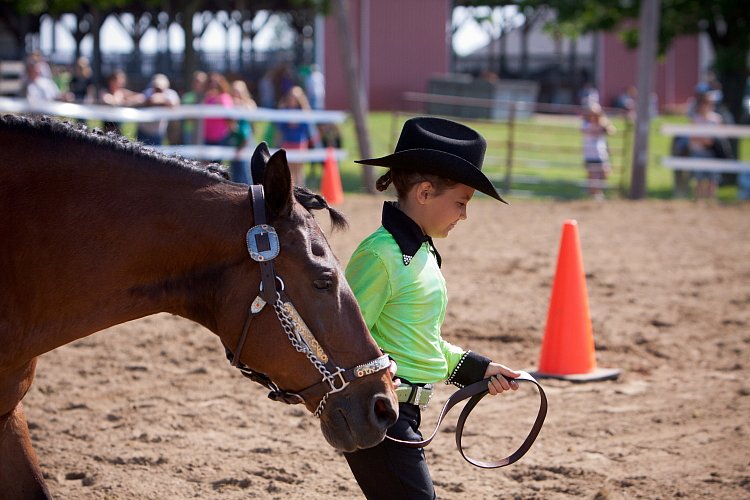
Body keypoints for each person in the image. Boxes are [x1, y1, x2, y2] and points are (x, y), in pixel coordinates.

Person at [343, 117, 521, 499]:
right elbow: (341, 336)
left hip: (401, 413)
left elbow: (420, 341)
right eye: (461, 202)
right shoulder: (380, 255)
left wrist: (479, 368)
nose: (464, 214)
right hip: (379, 413)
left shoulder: (421, 253)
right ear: (425, 193)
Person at [275, 86, 314, 187]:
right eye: (291, 97)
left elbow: (307, 128)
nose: (292, 99)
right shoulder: (284, 110)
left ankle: (300, 190)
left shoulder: (303, 111)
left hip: (299, 142)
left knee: (299, 170)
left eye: (295, 97)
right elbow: (280, 127)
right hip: (287, 142)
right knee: (288, 170)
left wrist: (297, 122)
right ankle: (291, 191)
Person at [689, 91, 723, 200]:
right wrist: (705, 139)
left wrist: (704, 139)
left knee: (713, 178)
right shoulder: (696, 118)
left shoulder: (716, 118)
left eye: (710, 102)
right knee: (698, 178)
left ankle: (711, 200)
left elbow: (717, 137)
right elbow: (693, 137)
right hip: (699, 151)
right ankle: (699, 200)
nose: (708, 105)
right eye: (705, 102)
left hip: (712, 152)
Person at [581, 102, 616, 200]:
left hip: (601, 154)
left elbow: (612, 131)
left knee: (605, 173)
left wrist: (603, 123)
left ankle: (597, 193)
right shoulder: (586, 123)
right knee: (592, 175)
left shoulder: (602, 123)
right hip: (590, 154)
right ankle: (593, 195)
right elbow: (584, 130)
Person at [136, 73, 180, 146]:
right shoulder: (148, 92)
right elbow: (149, 100)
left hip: (157, 132)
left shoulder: (170, 93)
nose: (157, 90)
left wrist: (161, 100)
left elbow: (174, 103)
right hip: (143, 130)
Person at [228, 79, 257, 183]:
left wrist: (239, 104)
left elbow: (252, 114)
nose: (236, 94)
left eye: (238, 91)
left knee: (246, 167)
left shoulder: (249, 103)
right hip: (235, 138)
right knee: (234, 167)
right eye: (234, 91)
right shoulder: (229, 103)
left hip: (246, 138)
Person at [99, 69, 144, 134]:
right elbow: (107, 100)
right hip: (108, 126)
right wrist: (121, 101)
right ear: (111, 81)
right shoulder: (105, 92)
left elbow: (140, 97)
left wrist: (129, 101)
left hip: (119, 127)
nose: (121, 82)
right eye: (118, 80)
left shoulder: (122, 92)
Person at [202, 72, 234, 147]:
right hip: (207, 134)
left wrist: (217, 98)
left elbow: (228, 112)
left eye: (216, 83)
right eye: (211, 83)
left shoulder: (225, 97)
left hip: (221, 134)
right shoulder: (207, 98)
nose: (213, 86)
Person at [181, 70, 207, 144]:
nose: (198, 84)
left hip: (204, 132)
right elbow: (187, 116)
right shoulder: (187, 97)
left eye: (201, 82)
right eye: (196, 81)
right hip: (189, 131)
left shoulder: (207, 97)